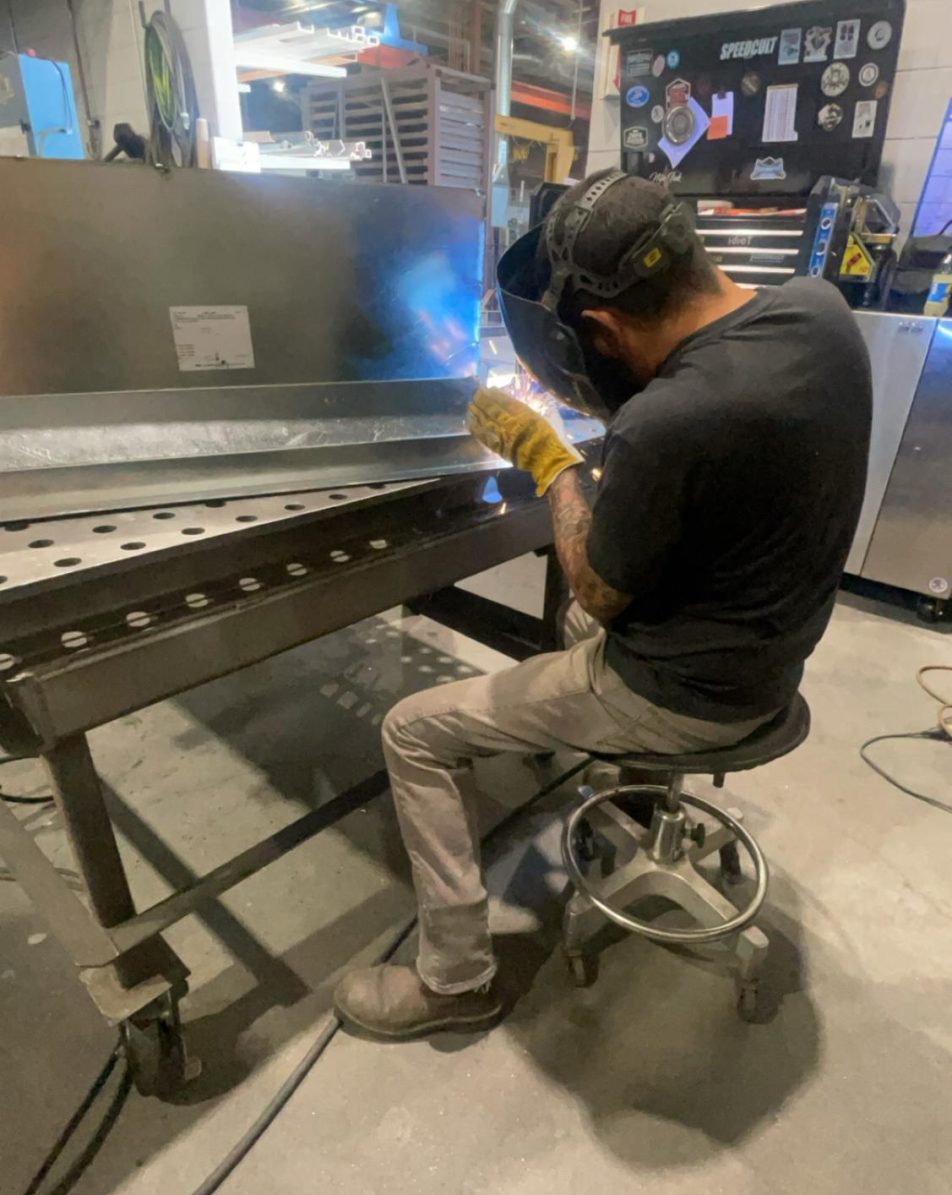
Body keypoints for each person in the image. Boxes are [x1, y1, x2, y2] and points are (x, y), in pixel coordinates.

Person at [333, 169, 872, 1041]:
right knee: (569, 636)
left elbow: (597, 587)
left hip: (685, 692)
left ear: (605, 327)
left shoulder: (672, 418)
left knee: (413, 729)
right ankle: (625, 791)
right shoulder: (820, 312)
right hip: (773, 652)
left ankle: (454, 981)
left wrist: (551, 461)